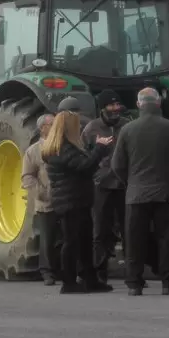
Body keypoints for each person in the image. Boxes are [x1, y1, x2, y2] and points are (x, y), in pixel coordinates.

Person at [111, 88, 169, 296]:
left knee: (135, 240)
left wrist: (131, 182)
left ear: (138, 105)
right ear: (158, 104)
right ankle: (168, 284)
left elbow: (117, 164)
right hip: (167, 193)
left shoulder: (127, 130)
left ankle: (134, 284)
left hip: (136, 195)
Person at [42, 110, 112, 295]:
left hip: (76, 200)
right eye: (77, 124)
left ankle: (90, 279)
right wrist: (99, 148)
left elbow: (82, 163)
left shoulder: (62, 147)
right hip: (70, 201)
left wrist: (93, 149)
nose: (80, 127)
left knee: (84, 241)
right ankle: (69, 282)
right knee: (72, 242)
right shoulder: (63, 148)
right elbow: (85, 167)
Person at [82, 89, 128, 283]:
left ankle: (133, 273)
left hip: (124, 185)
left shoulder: (128, 126)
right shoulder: (91, 128)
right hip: (101, 186)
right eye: (111, 105)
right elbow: (84, 156)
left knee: (129, 230)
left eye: (117, 104)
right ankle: (100, 272)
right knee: (100, 230)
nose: (115, 108)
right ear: (103, 107)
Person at [22, 114, 61, 285]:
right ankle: (47, 272)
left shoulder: (63, 146)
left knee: (65, 237)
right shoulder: (33, 151)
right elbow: (27, 177)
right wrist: (43, 193)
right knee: (48, 239)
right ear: (42, 128)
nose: (55, 127)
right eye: (52, 124)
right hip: (46, 203)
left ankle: (63, 270)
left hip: (65, 200)